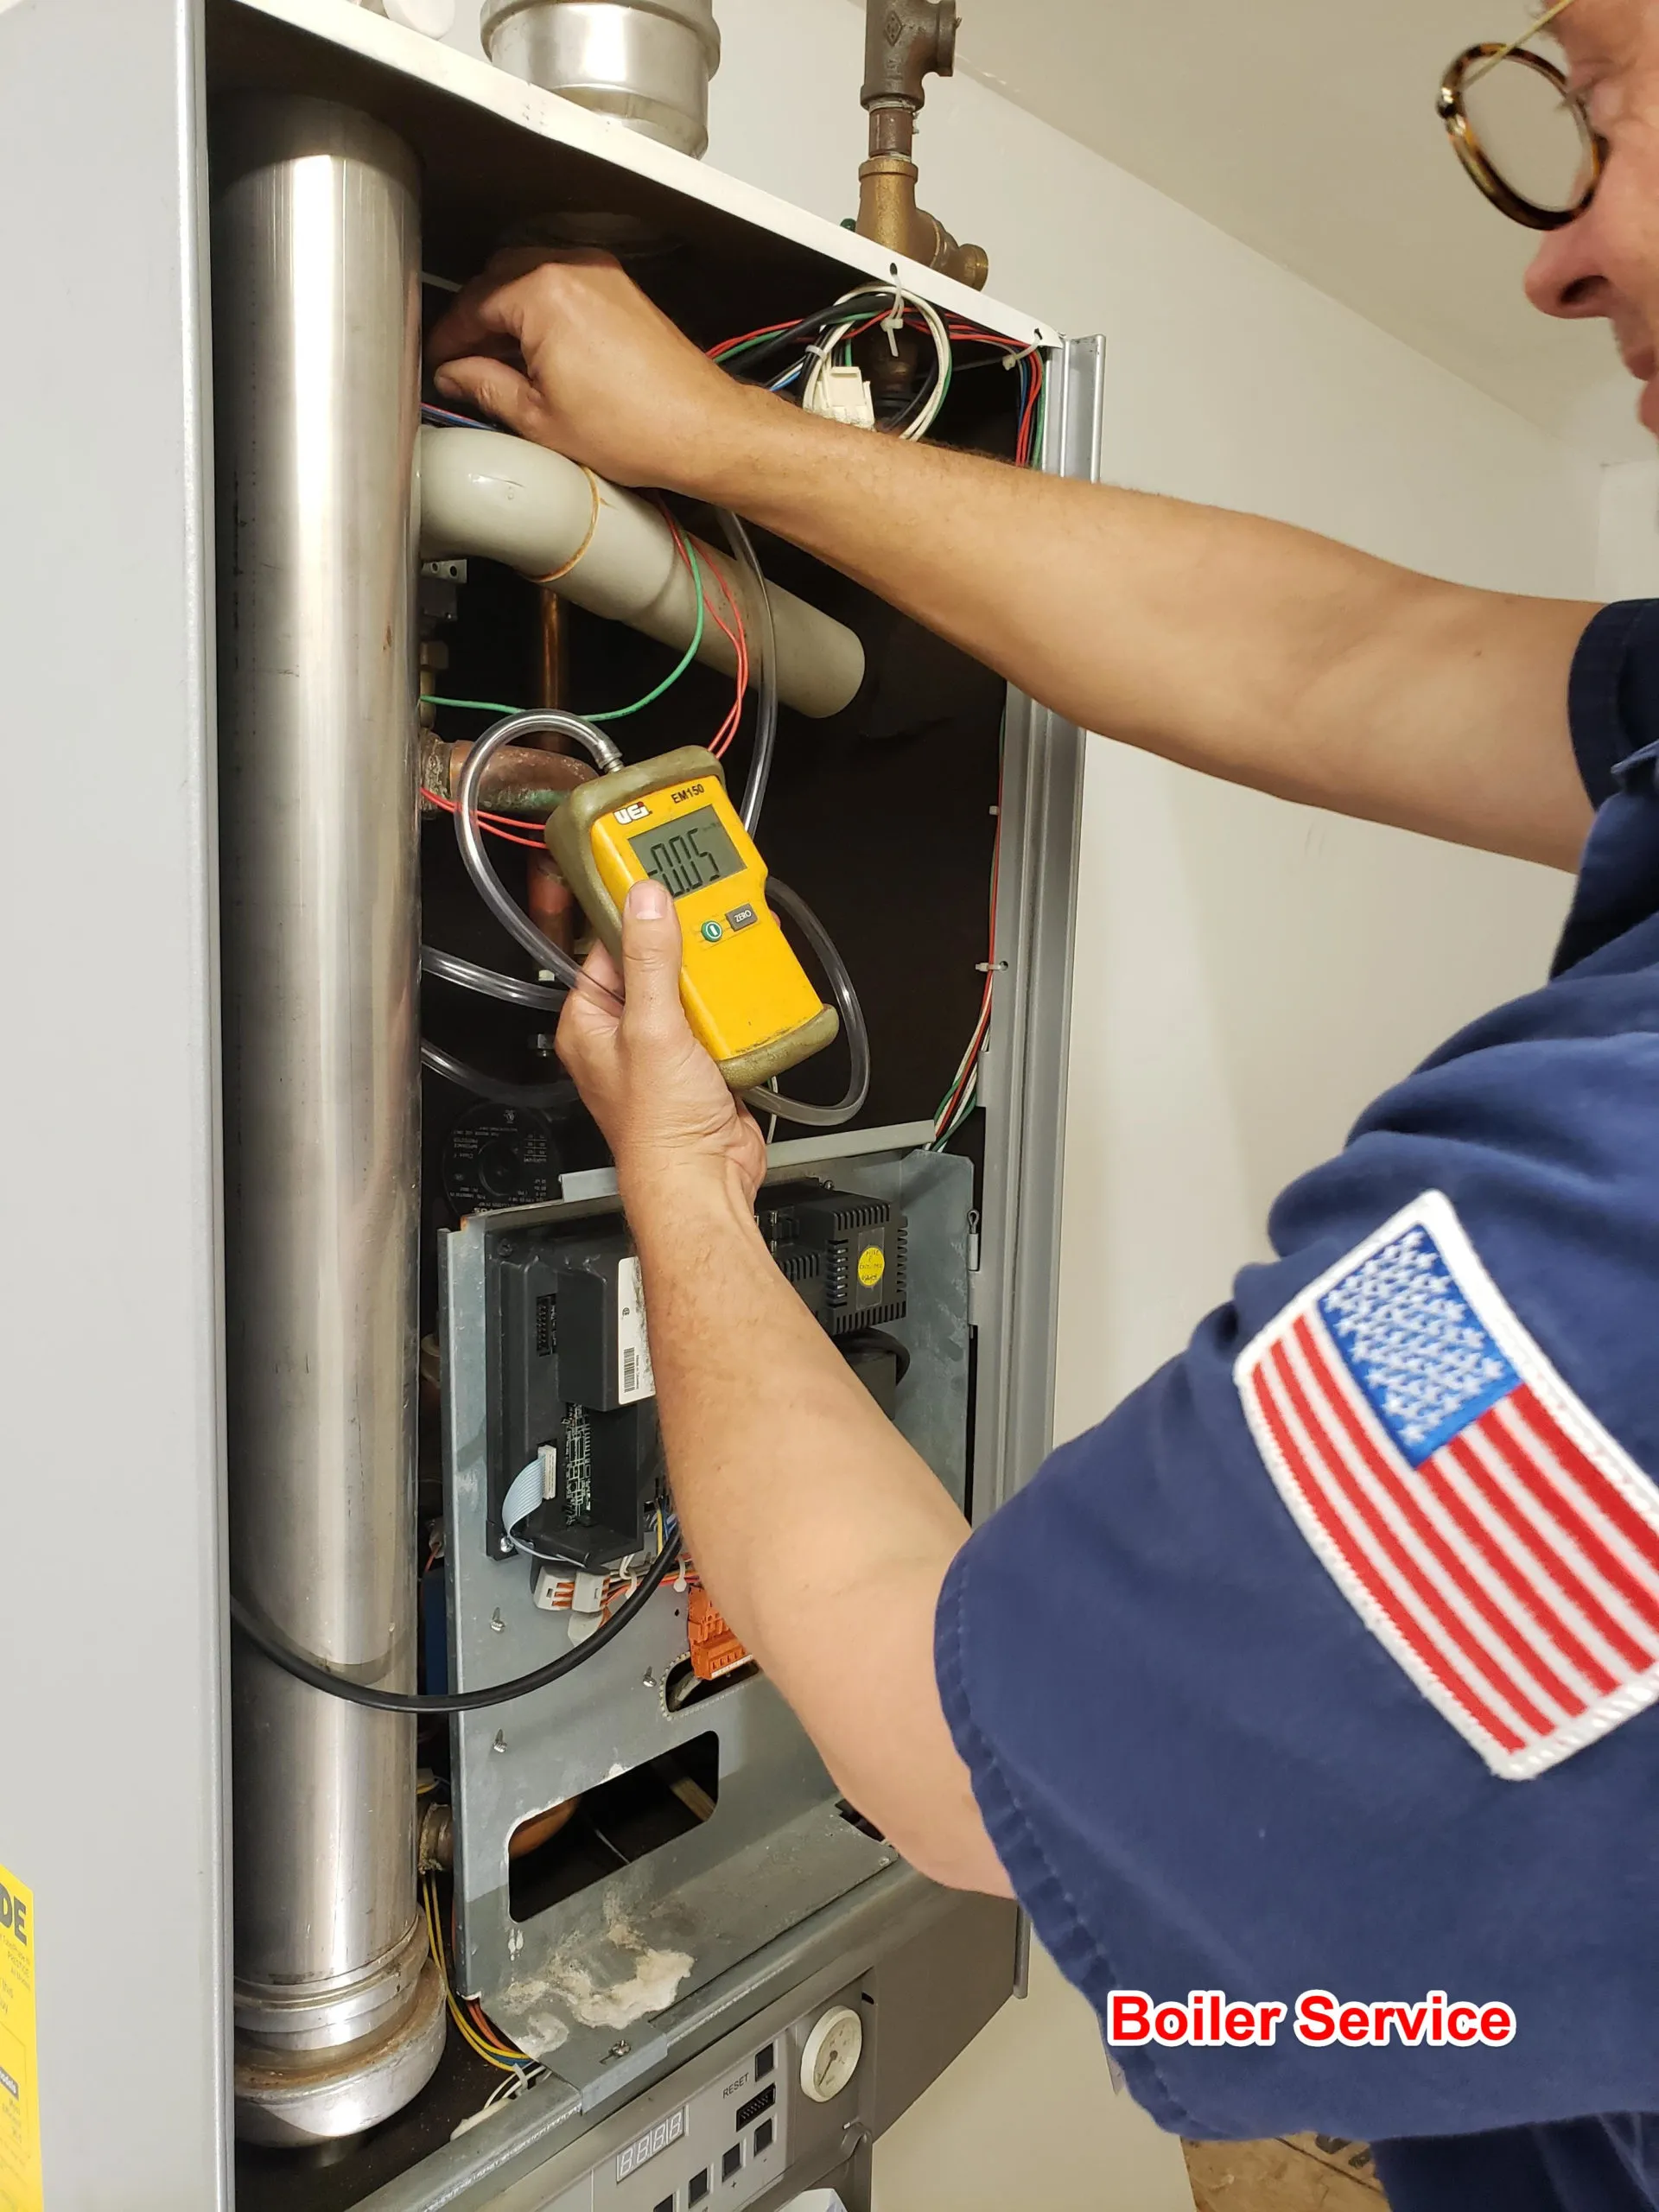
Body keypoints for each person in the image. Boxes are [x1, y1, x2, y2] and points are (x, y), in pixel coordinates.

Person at [429, 1, 1659, 2202]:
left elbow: (942, 1761)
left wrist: (688, 1186)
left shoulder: (1626, 1194)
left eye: (1620, 113)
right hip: (1517, 2043)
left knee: (1255, 2014)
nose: (1564, 260)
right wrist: (729, 440)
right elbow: (1338, 658)